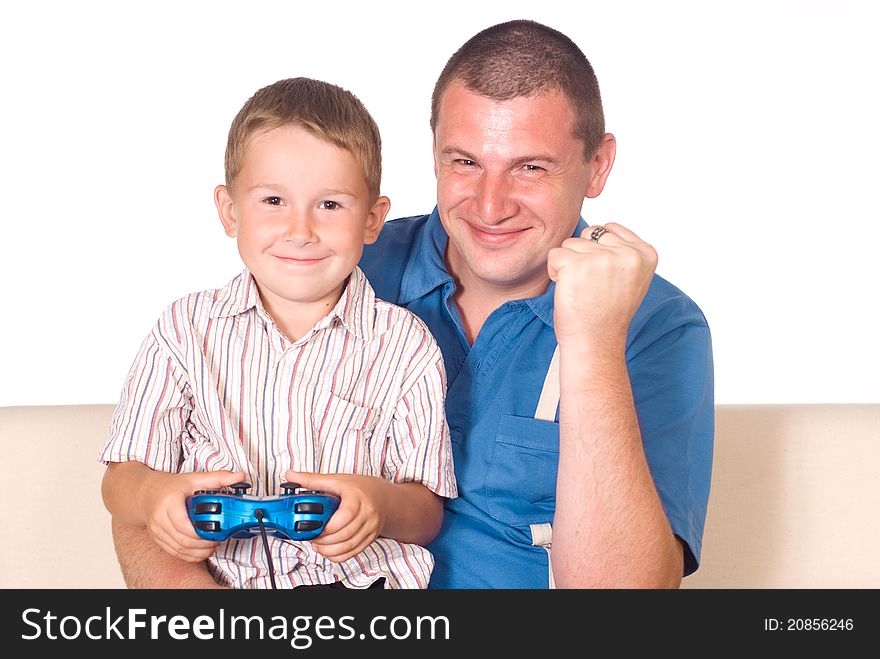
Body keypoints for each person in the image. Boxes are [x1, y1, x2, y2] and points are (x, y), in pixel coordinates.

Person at [110, 19, 714, 589]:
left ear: (597, 166)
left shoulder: (658, 326)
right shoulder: (338, 259)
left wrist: (592, 342)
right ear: (433, 155)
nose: (490, 204)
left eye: (530, 167)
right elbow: (162, 477)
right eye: (465, 162)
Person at [99, 77, 457, 589]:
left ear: (373, 220)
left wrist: (375, 506)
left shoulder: (406, 347)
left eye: (330, 205)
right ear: (229, 210)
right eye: (273, 201)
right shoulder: (183, 332)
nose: (300, 230)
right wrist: (155, 498)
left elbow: (426, 510)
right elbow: (120, 479)